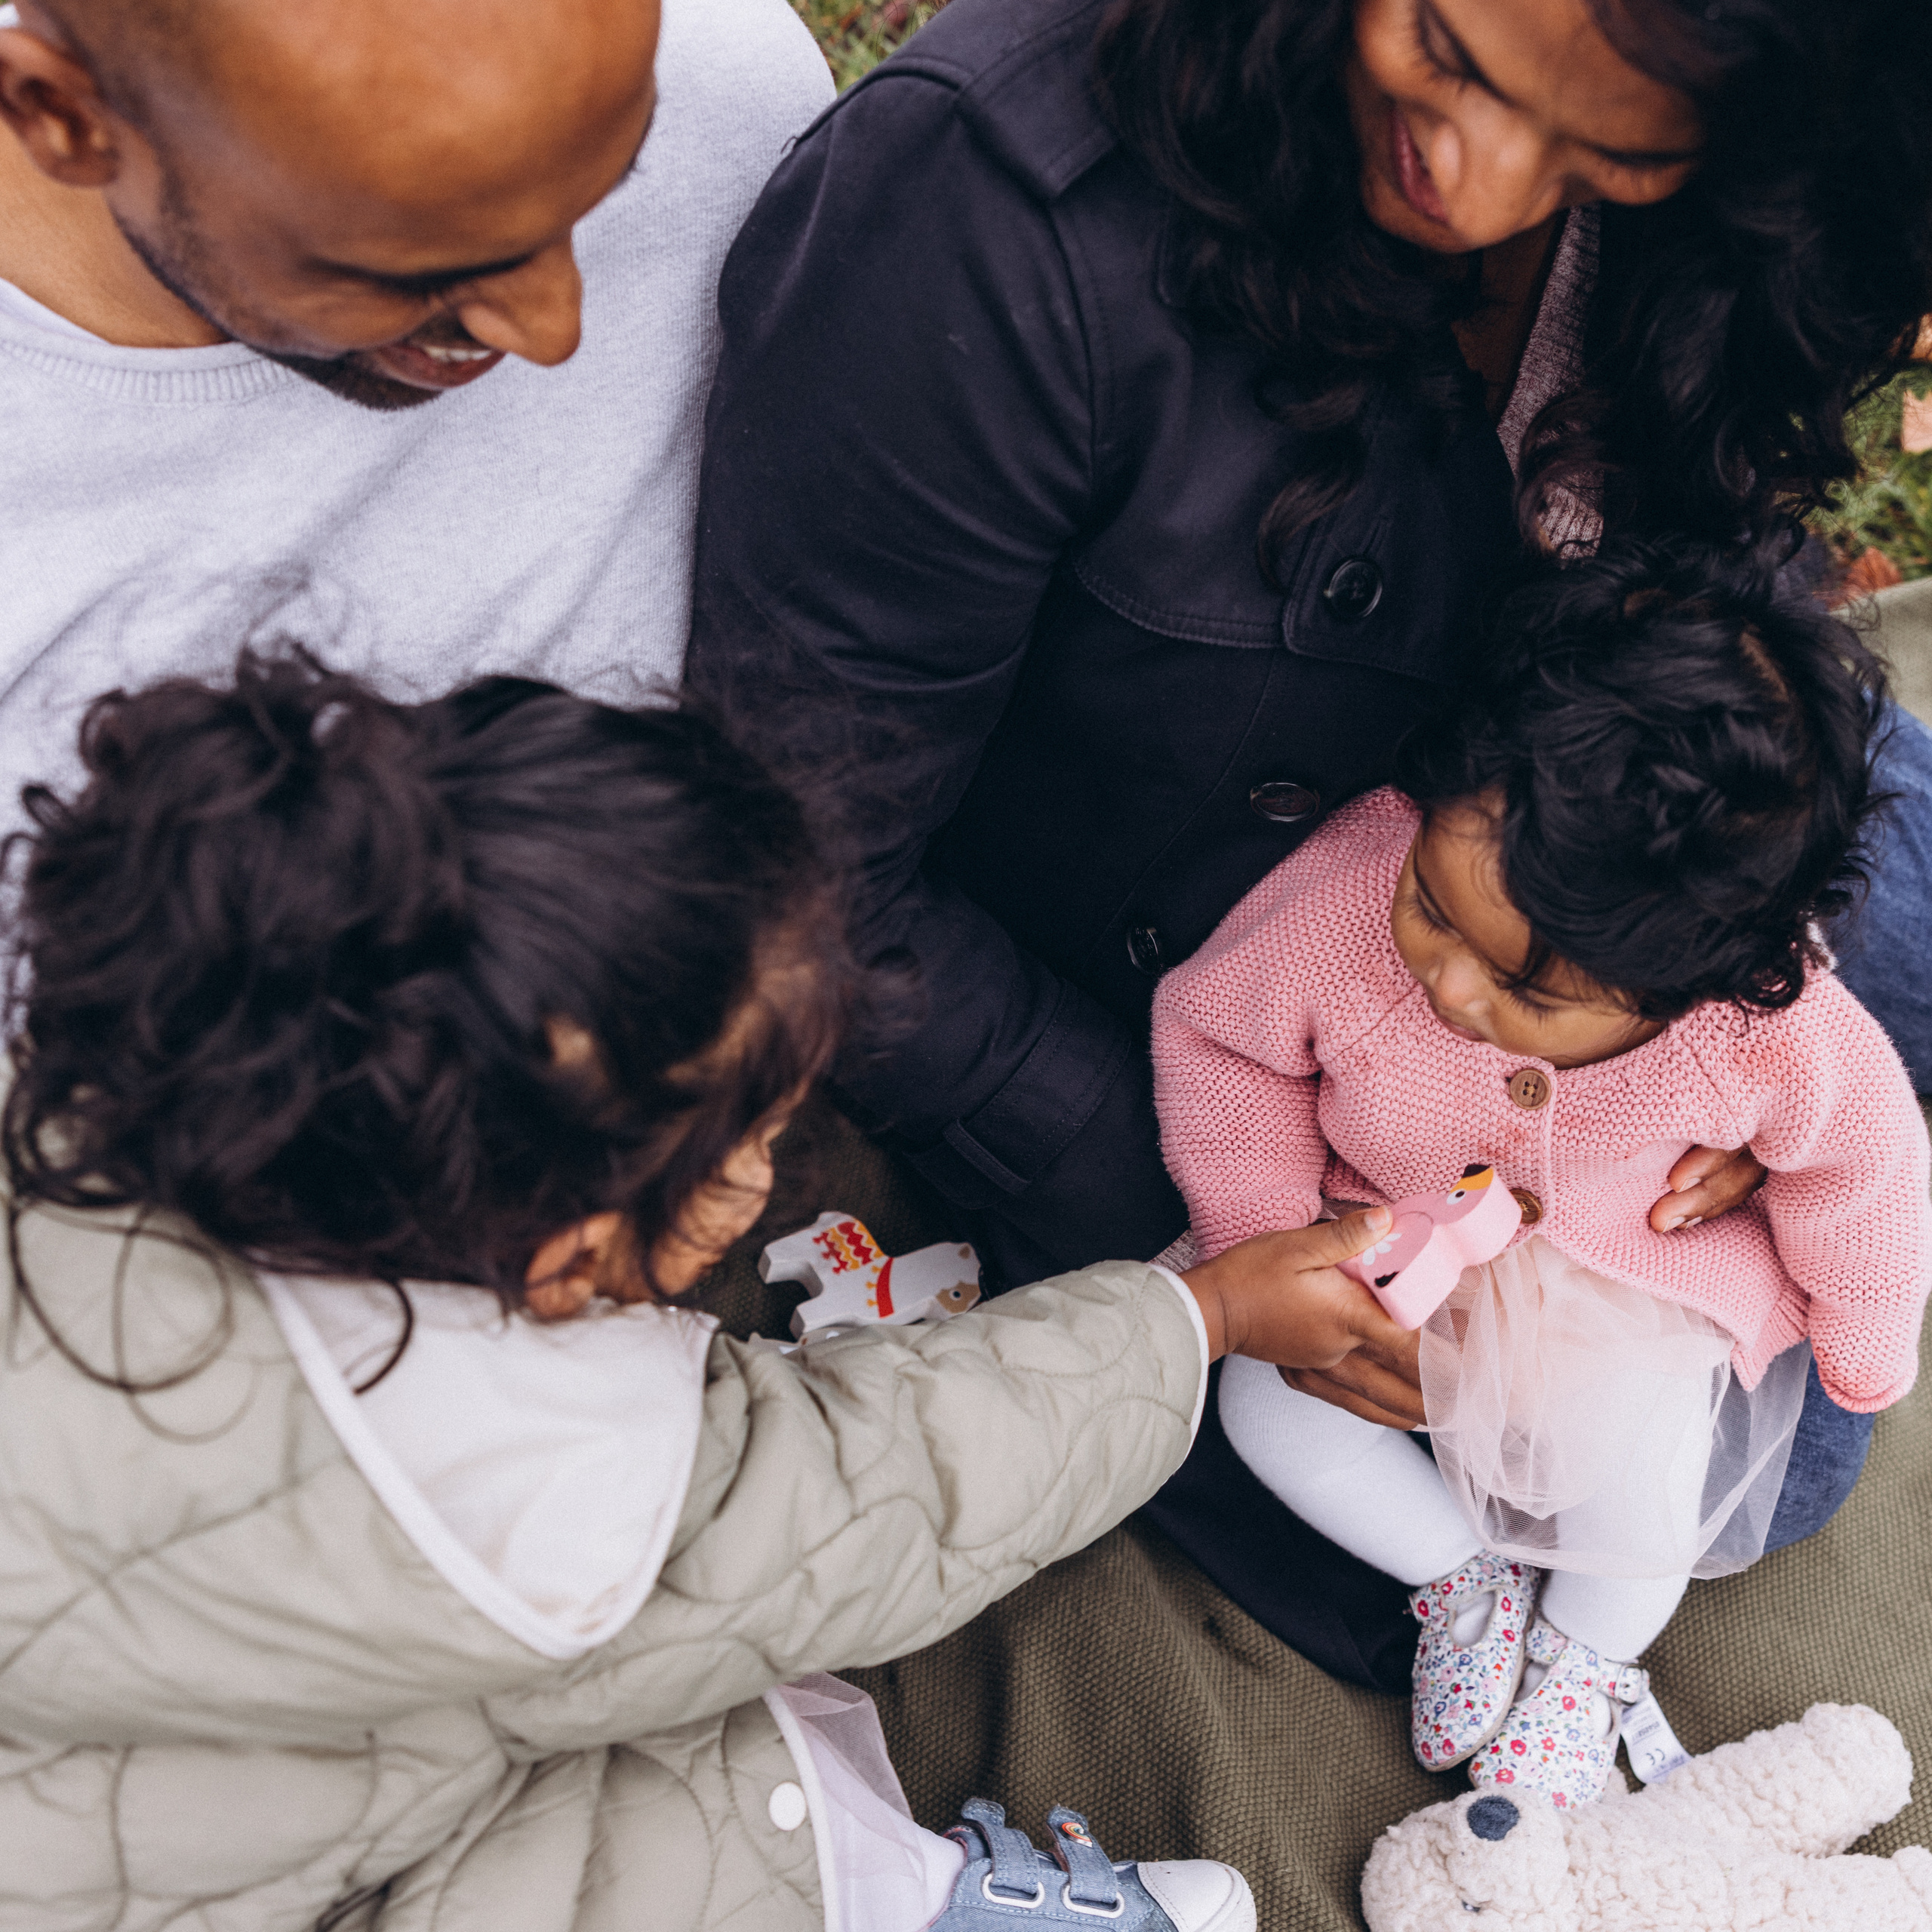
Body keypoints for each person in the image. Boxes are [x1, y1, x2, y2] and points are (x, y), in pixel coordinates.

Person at [683, 0, 1932, 1678]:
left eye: (1610, 152)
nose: (1485, 195)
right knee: (1746, 1480)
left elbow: (1713, 581)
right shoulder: (982, 223)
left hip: (1582, 849)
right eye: (1444, 52)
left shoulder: (1721, 229)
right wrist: (1242, 1232)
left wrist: (1697, 941)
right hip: (1194, 982)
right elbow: (812, 872)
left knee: (1863, 1049)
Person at [0, 648, 1453, 1931]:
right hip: (266, 1875)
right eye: (756, 1146)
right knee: (678, 1842)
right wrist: (1197, 1318)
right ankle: (922, 1906)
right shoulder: (540, 1485)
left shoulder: (113, 1113)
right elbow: (884, 1491)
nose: (772, 1173)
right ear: (566, 1258)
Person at [1149, 540, 1932, 1805]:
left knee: (1652, 1477)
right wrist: (1263, 1231)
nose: (1448, 986)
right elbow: (1219, 1038)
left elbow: (1868, 1167)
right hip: (1384, 1241)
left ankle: (1584, 1658)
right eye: (1435, 911)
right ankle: (1458, 1578)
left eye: (1520, 988)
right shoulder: (1353, 888)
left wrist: (1867, 1339)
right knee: (1262, 1409)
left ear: (1686, 983)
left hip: (1621, 1296)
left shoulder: (1762, 1026)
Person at [0, 0, 832, 801]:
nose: (553, 330)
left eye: (611, 181)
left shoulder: (714, 84)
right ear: (64, 117)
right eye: (414, 271)